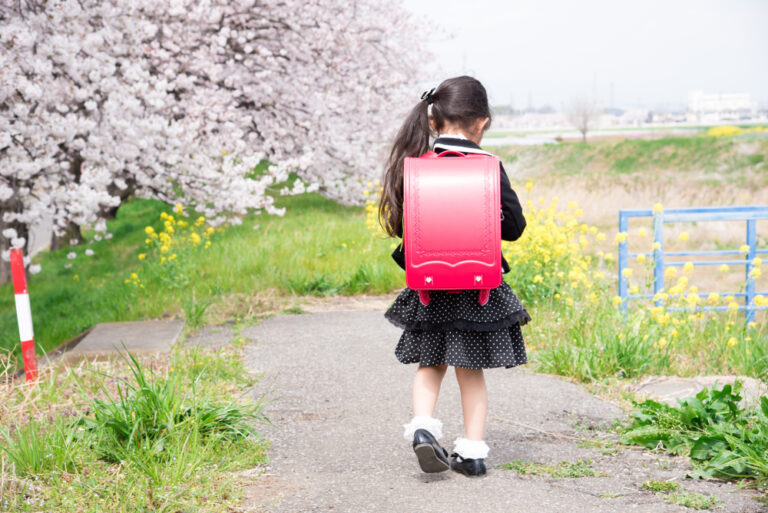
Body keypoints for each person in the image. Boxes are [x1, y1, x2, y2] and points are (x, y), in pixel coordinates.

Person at [379, 76, 530, 477]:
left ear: (433, 122)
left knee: (429, 365)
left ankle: (424, 429)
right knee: (471, 371)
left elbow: (403, 228)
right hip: (477, 288)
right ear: (482, 123)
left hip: (429, 287)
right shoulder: (489, 167)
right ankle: (473, 454)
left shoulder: (416, 168)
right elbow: (514, 227)